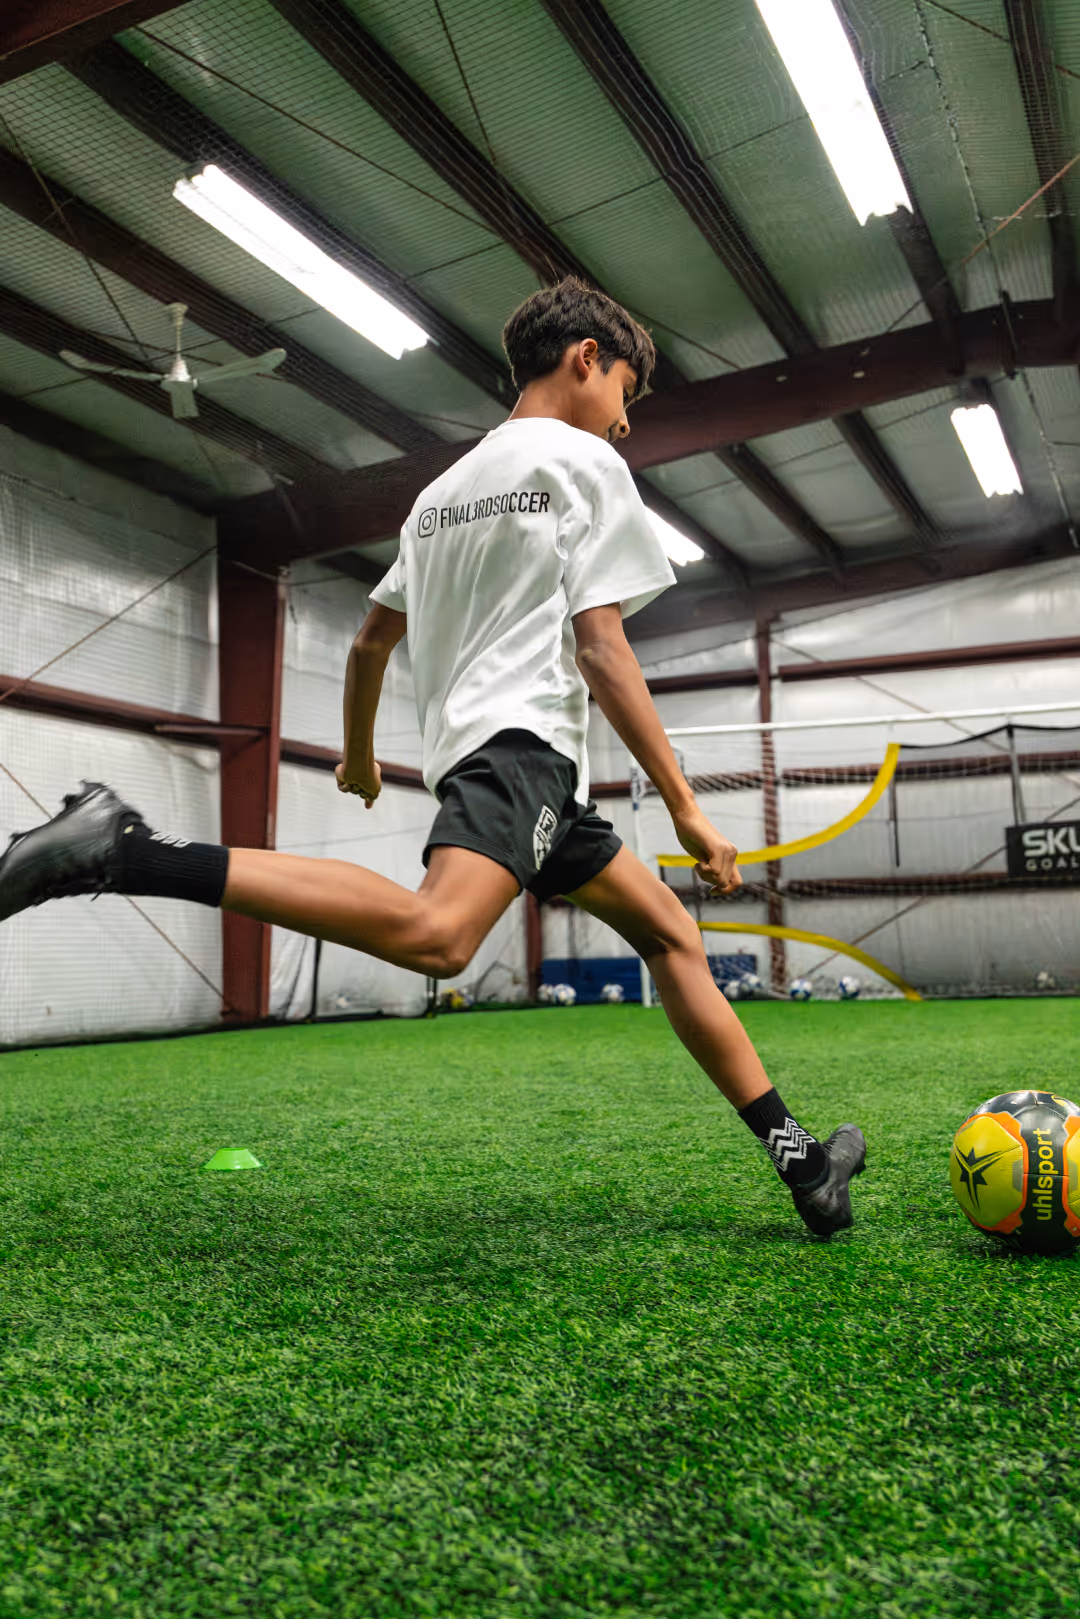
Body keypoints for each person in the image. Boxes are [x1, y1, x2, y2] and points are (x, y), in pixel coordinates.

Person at [0, 277, 864, 1236]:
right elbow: (601, 648)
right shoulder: (582, 463)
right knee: (439, 938)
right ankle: (124, 850)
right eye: (626, 390)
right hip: (523, 755)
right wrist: (688, 808)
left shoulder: (439, 495)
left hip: (503, 768)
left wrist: (363, 759)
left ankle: (805, 1166)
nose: (624, 420)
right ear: (586, 359)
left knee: (670, 936)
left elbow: (373, 642)